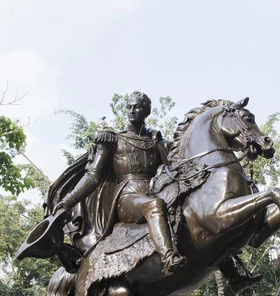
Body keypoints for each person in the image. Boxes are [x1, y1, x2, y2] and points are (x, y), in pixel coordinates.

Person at [54, 91, 186, 274]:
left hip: (156, 189)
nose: (132, 111)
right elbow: (93, 176)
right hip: (127, 197)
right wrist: (68, 201)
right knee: (154, 205)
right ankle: (169, 257)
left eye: (137, 107)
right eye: (129, 107)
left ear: (146, 111)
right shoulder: (113, 139)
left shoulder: (157, 142)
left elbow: (175, 168)